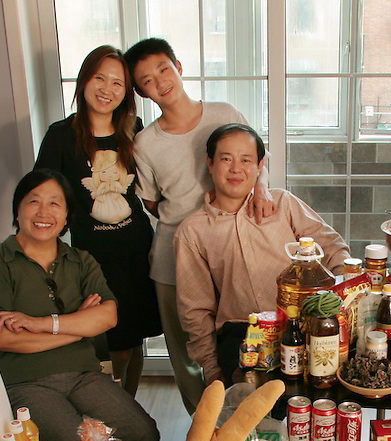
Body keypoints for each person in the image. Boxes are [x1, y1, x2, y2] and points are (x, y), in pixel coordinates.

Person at [0, 169, 160, 441]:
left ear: (66, 216)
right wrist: (78, 328)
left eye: (55, 203)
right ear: (18, 210)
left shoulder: (81, 260)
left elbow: (108, 317)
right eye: (33, 201)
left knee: (143, 433)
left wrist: (38, 324)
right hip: (25, 385)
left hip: (84, 378)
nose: (44, 212)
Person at [124, 38, 275, 412]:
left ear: (178, 65)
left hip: (231, 252)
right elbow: (150, 201)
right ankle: (204, 427)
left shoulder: (223, 111)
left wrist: (262, 190)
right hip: (172, 260)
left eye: (162, 69)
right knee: (188, 355)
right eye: (145, 80)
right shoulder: (145, 143)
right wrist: (190, 225)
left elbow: (257, 159)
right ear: (139, 91)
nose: (159, 82)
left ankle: (250, 423)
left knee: (240, 343)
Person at [175, 123, 350, 386]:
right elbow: (195, 310)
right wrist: (211, 367)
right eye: (226, 159)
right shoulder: (192, 231)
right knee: (247, 421)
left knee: (309, 413)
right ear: (210, 164)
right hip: (241, 337)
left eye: (246, 160)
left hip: (304, 329)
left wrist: (339, 303)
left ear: (259, 166)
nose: (236, 168)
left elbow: (334, 249)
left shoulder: (283, 204)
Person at [34, 45, 161, 397]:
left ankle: (129, 406)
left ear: (127, 92)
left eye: (118, 83)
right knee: (111, 341)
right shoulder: (61, 135)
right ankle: (114, 409)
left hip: (137, 247)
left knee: (134, 339)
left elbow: (153, 183)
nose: (107, 89)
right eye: (99, 78)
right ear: (84, 80)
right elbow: (44, 197)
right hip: (93, 257)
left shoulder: (134, 129)